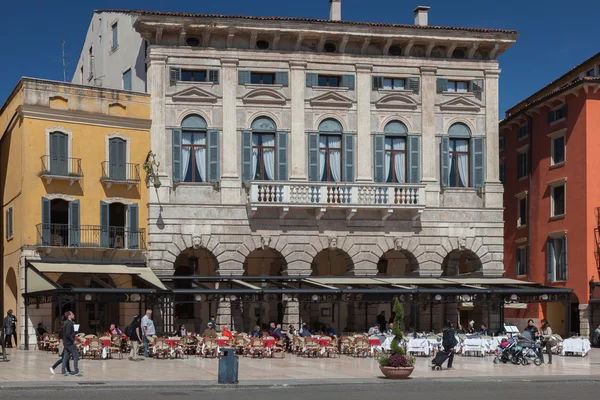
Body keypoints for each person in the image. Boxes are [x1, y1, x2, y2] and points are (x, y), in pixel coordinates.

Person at [61, 311, 82, 376]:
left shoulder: (67, 323)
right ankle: (76, 371)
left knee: (66, 356)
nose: (74, 315)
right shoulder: (69, 323)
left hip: (66, 343)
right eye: (72, 314)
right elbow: (67, 334)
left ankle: (63, 371)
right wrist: (73, 340)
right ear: (69, 316)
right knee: (76, 356)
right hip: (70, 343)